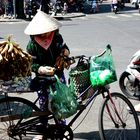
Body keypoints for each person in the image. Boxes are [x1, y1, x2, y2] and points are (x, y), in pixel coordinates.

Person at [24, 10, 70, 140]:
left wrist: (66, 52)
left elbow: (65, 48)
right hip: (42, 79)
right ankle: (43, 131)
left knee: (59, 103)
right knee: (43, 105)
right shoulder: (32, 45)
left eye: (48, 31)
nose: (46, 34)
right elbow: (31, 64)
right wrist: (41, 69)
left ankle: (61, 129)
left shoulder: (57, 38)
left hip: (57, 76)